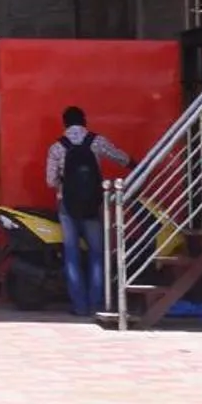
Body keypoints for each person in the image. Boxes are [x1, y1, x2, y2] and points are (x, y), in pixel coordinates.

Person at [45, 103, 131, 318]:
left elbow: (50, 181)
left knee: (72, 254)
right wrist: (135, 165)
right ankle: (97, 303)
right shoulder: (96, 141)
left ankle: (79, 306)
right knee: (96, 253)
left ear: (64, 123)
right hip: (93, 205)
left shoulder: (57, 147)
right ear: (84, 121)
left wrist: (63, 183)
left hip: (67, 206)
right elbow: (119, 157)